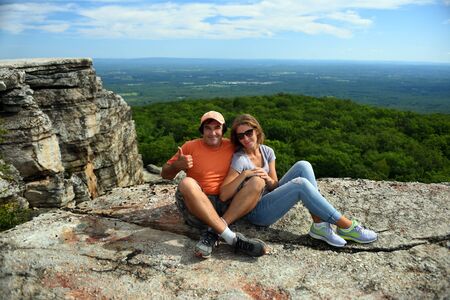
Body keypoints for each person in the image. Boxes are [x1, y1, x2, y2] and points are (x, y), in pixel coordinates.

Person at [220, 114, 377, 247]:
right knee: (300, 185)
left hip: (270, 200)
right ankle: (346, 226)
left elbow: (275, 186)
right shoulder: (240, 159)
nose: (246, 138)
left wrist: (267, 178)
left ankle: (320, 225)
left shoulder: (267, 151)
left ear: (257, 131)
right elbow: (224, 194)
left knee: (303, 165)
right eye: (241, 136)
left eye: (249, 132)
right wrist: (245, 174)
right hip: (256, 213)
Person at [161, 111, 268, 258]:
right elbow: (165, 174)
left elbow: (255, 151)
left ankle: (213, 232)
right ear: (202, 130)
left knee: (258, 181)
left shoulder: (232, 146)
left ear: (223, 130)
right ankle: (231, 238)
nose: (213, 133)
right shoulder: (189, 147)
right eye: (208, 128)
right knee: (186, 183)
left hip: (228, 207)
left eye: (217, 127)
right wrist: (177, 166)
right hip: (199, 206)